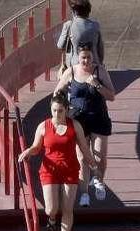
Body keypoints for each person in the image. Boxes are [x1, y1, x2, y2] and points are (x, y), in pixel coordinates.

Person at [18, 92, 96, 231]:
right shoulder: (43, 126)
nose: (57, 114)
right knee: (51, 208)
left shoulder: (74, 125)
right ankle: (52, 219)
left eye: (60, 111)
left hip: (70, 170)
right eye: (54, 111)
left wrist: (93, 162)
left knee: (68, 209)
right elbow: (37, 147)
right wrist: (28, 152)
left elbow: (83, 147)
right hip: (49, 170)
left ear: (66, 110)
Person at [55, 41, 115, 207]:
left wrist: (95, 84)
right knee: (81, 157)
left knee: (99, 156)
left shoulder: (99, 71)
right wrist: (61, 111)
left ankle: (99, 182)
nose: (86, 61)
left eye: (89, 57)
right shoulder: (71, 72)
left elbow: (111, 95)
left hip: (98, 117)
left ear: (92, 57)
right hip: (78, 119)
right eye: (83, 58)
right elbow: (57, 92)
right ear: (77, 57)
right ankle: (84, 194)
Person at [57, 0, 105, 68]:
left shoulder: (69, 25)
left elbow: (60, 45)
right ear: (88, 11)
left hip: (74, 65)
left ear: (75, 12)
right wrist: (100, 63)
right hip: (93, 64)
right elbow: (100, 48)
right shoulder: (95, 25)